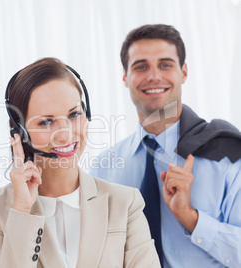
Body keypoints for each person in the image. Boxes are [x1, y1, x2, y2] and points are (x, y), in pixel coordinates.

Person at [0, 57, 160, 267]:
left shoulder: (125, 204)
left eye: (74, 114)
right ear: (19, 131)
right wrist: (22, 210)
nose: (65, 135)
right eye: (46, 122)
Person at [90, 24, 241, 268]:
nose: (153, 76)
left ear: (184, 72)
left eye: (165, 64)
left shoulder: (228, 157)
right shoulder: (103, 169)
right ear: (125, 77)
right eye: (141, 66)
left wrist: (191, 218)